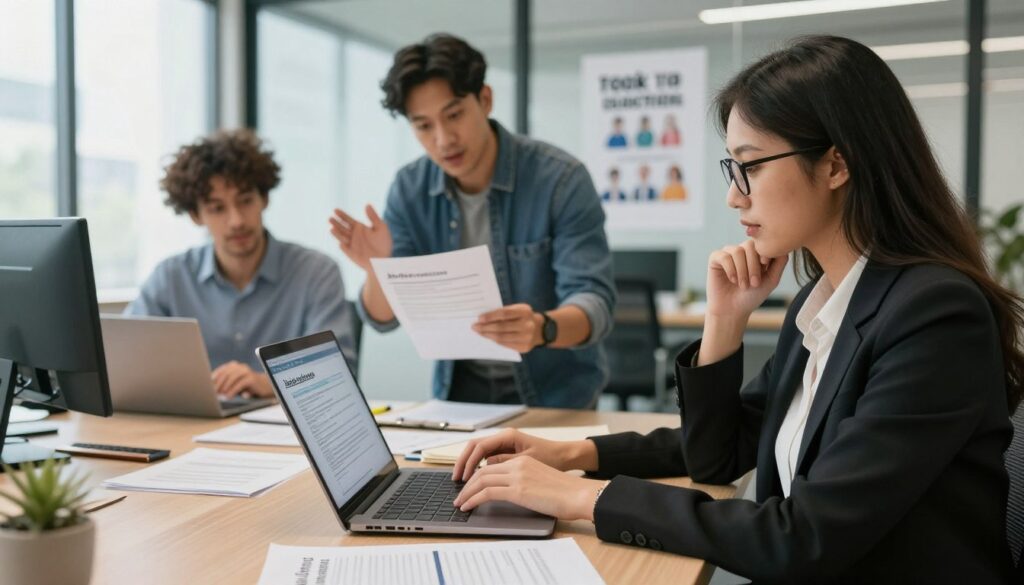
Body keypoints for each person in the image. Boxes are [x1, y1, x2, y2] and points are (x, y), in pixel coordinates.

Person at [450, 36, 1019, 584]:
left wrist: (578, 495)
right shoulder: (827, 303)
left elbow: (801, 538)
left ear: (836, 165)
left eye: (751, 165)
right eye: (732, 168)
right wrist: (573, 451)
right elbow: (718, 455)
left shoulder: (934, 317)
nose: (734, 195)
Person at [328, 34, 615, 408]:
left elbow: (595, 303)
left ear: (485, 99)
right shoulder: (409, 189)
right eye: (424, 126)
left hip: (556, 395)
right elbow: (383, 320)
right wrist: (375, 269)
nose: (444, 139)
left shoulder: (560, 179)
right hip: (459, 397)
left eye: (454, 115)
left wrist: (541, 328)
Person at [127, 129, 356, 398]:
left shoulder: (316, 272)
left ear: (264, 199)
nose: (236, 220)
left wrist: (266, 383)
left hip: (283, 430)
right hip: (192, 430)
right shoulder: (170, 277)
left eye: (245, 201)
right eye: (217, 208)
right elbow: (129, 362)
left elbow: (338, 372)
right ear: (195, 215)